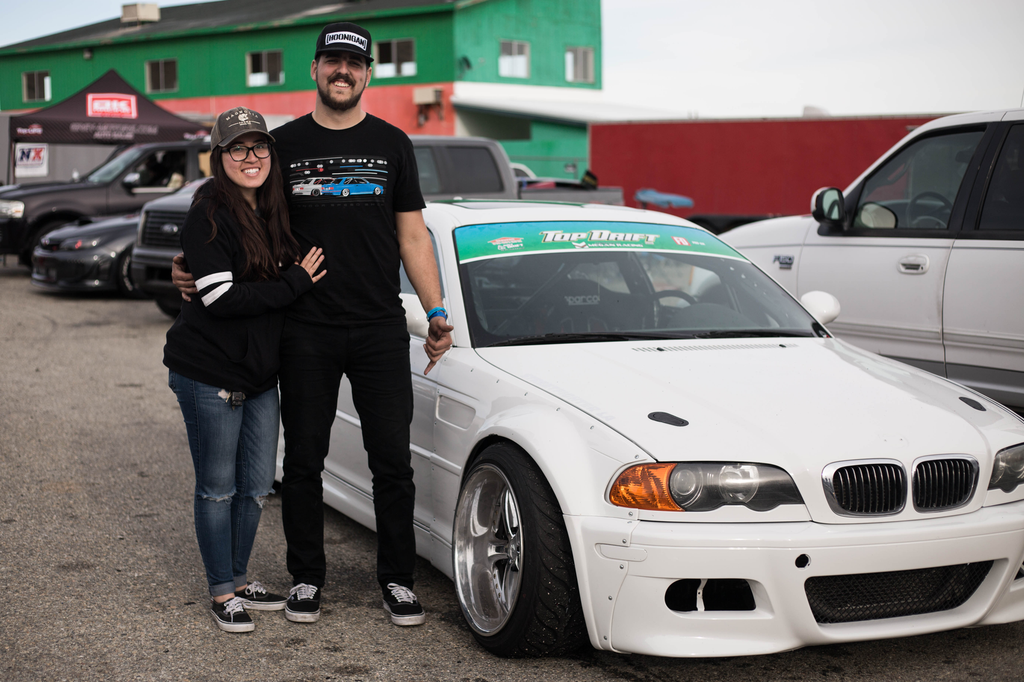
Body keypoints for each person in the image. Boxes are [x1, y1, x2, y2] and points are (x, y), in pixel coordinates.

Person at [173, 22, 454, 627]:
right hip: (303, 328)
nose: (342, 72)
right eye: (332, 61)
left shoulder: (393, 143)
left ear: (368, 73)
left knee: (392, 464)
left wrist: (434, 311)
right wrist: (191, 259)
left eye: (354, 63)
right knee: (302, 460)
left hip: (379, 327)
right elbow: (238, 210)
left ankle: (398, 581)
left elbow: (412, 235)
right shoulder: (283, 145)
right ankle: (305, 578)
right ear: (315, 70)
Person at [165, 106, 326, 632]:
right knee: (216, 486)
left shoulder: (273, 211)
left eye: (259, 147)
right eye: (238, 148)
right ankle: (220, 593)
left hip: (259, 375)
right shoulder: (208, 212)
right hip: (210, 371)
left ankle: (237, 577)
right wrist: (295, 283)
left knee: (256, 485)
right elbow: (219, 296)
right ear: (220, 157)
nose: (250, 157)